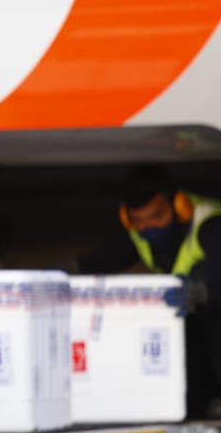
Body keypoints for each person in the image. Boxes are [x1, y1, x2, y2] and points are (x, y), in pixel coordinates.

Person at [74, 165, 221, 416]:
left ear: (179, 207)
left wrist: (202, 290)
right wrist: (59, 272)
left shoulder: (210, 224)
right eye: (139, 221)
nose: (148, 228)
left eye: (157, 217)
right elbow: (102, 259)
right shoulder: (138, 234)